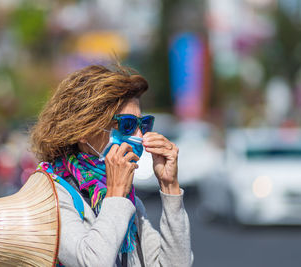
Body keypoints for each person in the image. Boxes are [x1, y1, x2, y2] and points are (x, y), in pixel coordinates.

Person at [29, 64, 193, 267]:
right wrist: (115, 194)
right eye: (127, 125)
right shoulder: (53, 195)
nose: (140, 137)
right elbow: (92, 263)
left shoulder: (128, 201)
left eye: (143, 125)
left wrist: (170, 187)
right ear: (84, 130)